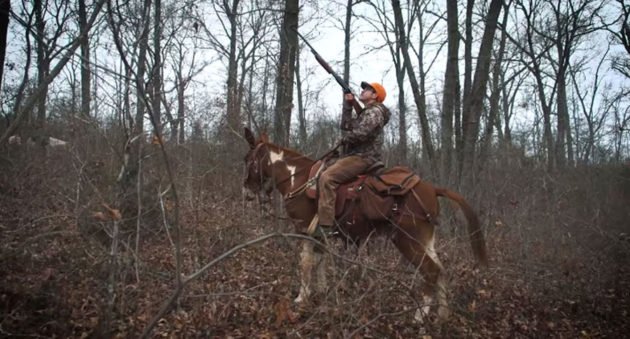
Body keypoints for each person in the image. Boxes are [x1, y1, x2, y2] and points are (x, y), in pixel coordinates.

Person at [316, 81, 391, 237]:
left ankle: (325, 227)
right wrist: (348, 105)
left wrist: (344, 140)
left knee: (327, 178)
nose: (362, 91)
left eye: (368, 90)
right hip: (355, 156)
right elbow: (346, 125)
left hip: (363, 157)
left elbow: (361, 133)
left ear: (375, 95)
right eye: (363, 89)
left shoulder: (374, 112)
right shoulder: (366, 113)